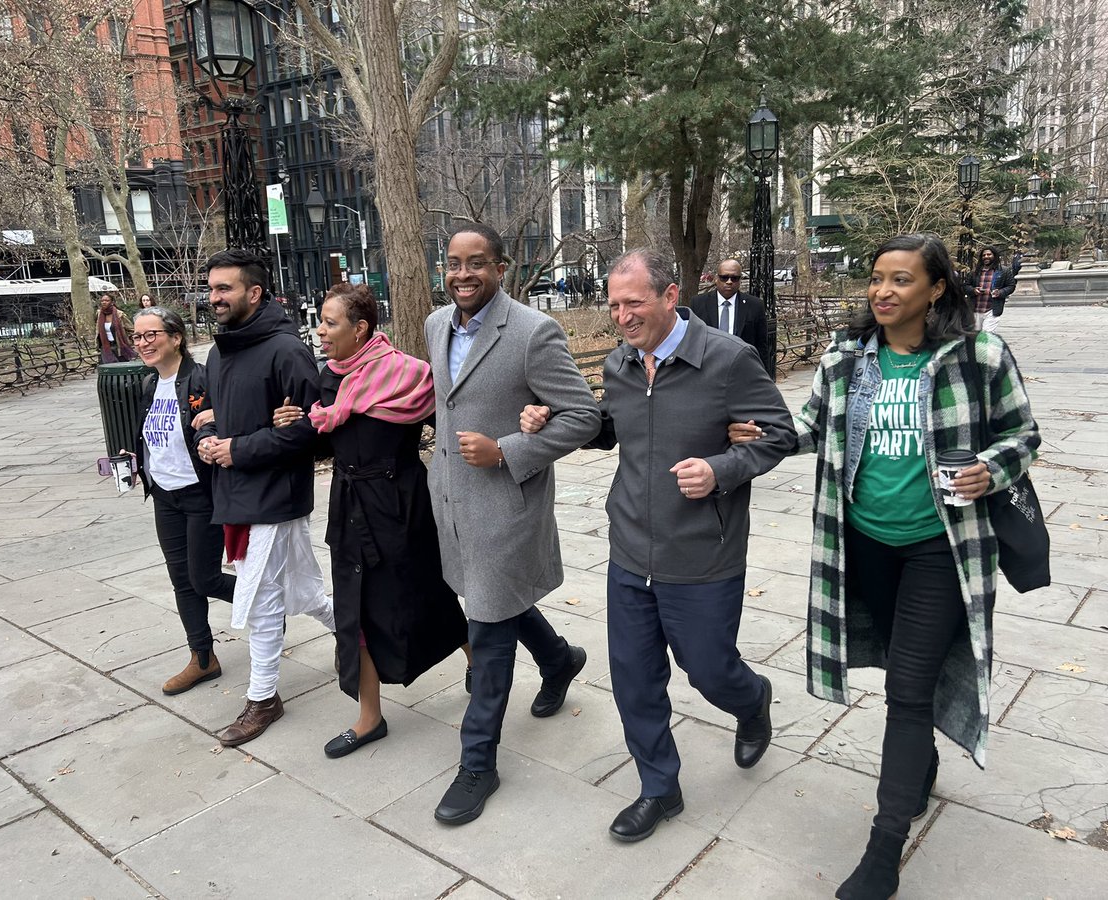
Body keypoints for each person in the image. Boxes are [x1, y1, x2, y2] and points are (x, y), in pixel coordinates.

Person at [730, 233, 1040, 899]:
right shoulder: (849, 354)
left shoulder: (977, 354)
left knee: (904, 692)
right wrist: (763, 433)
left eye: (901, 280)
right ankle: (922, 758)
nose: (883, 291)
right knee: (907, 670)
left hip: (940, 547)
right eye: (877, 278)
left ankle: (884, 847)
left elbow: (1024, 433)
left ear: (935, 289)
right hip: (864, 543)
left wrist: (995, 466)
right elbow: (813, 426)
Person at [520, 249, 796, 843]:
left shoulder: (728, 360)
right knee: (634, 679)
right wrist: (555, 418)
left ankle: (752, 701)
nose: (621, 315)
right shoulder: (621, 365)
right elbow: (615, 424)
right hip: (630, 548)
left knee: (710, 670)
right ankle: (658, 787)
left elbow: (779, 434)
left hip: (702, 552)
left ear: (671, 297)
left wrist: (721, 469)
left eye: (633, 302)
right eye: (614, 304)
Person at [426, 223, 601, 825]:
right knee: (495, 603)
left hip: (504, 507)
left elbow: (583, 415)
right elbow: (445, 402)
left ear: (501, 267)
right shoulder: (434, 324)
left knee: (489, 632)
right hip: (451, 502)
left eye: (477, 263)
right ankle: (559, 660)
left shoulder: (532, 331)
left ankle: (478, 763)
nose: (463, 274)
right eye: (453, 263)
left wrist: (507, 450)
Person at [270, 284, 471, 758]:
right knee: (354, 614)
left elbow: (450, 432)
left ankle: (477, 657)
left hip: (402, 507)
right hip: (350, 507)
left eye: (329, 322)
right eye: (320, 321)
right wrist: (292, 424)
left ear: (360, 329)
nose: (319, 330)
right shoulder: (330, 381)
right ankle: (369, 717)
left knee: (429, 595)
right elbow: (326, 440)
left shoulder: (410, 375)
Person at [195, 249, 334, 747]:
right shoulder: (218, 352)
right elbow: (211, 411)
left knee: (261, 599)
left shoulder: (286, 351)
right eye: (211, 289)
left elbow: (311, 434)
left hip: (275, 496)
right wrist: (209, 436)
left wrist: (239, 448)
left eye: (224, 289)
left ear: (253, 293)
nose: (213, 298)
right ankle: (356, 635)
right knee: (304, 591)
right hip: (234, 493)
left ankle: (263, 697)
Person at [130, 306, 235, 695]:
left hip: (200, 494)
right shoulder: (147, 385)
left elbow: (216, 422)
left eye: (151, 335)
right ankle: (203, 658)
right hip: (164, 495)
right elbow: (153, 437)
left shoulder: (200, 380)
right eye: (138, 337)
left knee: (203, 577)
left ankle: (264, 604)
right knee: (182, 581)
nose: (143, 344)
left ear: (176, 337)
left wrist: (211, 433)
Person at [687, 259, 768, 360]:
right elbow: (692, 341)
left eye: (734, 278)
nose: (729, 282)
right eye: (724, 278)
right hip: (708, 367)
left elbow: (762, 346)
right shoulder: (698, 303)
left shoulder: (755, 305)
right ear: (716, 278)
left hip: (742, 368)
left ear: (740, 280)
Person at [964, 246, 1015, 333]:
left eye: (989, 254)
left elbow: (1011, 286)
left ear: (994, 256)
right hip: (975, 309)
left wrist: (1000, 292)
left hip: (992, 309)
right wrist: (974, 290)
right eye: (984, 255)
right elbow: (965, 286)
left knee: (986, 335)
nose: (986, 257)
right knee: (974, 335)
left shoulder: (1004, 271)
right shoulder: (974, 272)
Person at [96, 294, 135, 362]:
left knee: (121, 367)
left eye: (107, 300)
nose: (104, 302)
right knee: (109, 368)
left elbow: (131, 329)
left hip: (118, 346)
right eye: (102, 301)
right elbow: (98, 330)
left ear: (112, 302)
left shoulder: (119, 314)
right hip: (105, 346)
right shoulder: (99, 314)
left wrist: (131, 340)